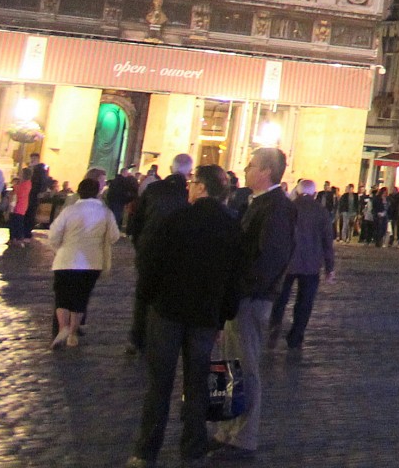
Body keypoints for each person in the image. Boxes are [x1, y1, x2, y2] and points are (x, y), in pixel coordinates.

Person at [129, 165, 243, 468]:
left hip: (168, 310)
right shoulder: (231, 226)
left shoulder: (177, 219)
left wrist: (147, 298)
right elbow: (235, 278)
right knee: (197, 384)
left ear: (202, 188)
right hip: (205, 317)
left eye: (193, 183)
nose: (189, 187)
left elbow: (151, 261)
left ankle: (146, 450)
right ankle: (192, 447)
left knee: (159, 384)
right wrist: (223, 316)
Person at [214, 148, 296, 459]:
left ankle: (243, 435)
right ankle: (224, 427)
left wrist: (243, 289)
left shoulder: (275, 207)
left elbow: (270, 258)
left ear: (265, 171)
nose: (246, 170)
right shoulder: (259, 203)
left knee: (244, 366)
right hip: (239, 296)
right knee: (226, 364)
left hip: (250, 298)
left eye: (250, 166)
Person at [124, 153, 193, 353]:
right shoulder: (188, 195)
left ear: (171, 168)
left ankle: (137, 337)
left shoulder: (153, 189)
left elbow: (136, 222)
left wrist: (140, 245)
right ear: (189, 172)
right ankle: (159, 340)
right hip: (174, 254)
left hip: (148, 249)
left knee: (143, 294)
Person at [44, 170, 120, 348]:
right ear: (97, 192)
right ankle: (72, 334)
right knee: (80, 298)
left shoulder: (70, 211)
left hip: (65, 259)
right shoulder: (105, 212)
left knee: (62, 296)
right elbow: (114, 236)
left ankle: (62, 327)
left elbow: (54, 233)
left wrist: (59, 247)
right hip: (91, 262)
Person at [269, 178, 337, 348]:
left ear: (297, 191)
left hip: (287, 261)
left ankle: (274, 326)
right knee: (305, 302)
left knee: (280, 298)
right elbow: (327, 242)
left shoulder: (288, 207)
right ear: (314, 194)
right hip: (311, 264)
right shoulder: (321, 212)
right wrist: (330, 268)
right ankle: (296, 335)